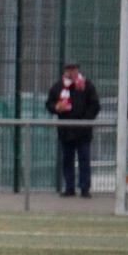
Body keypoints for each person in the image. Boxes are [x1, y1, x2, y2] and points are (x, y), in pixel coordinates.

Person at [45, 61, 101, 198]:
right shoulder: (58, 87)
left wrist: (85, 120)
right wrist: (55, 108)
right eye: (68, 70)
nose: (70, 72)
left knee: (84, 159)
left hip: (83, 131)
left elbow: (95, 105)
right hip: (66, 130)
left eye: (73, 69)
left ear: (78, 70)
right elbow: (49, 103)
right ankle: (69, 188)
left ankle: (84, 188)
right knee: (67, 160)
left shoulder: (87, 86)